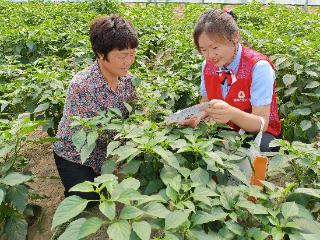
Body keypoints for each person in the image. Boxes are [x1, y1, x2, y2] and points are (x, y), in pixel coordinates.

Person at [53, 15, 138, 203]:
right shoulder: (82, 85)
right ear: (101, 53)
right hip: (76, 155)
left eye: (132, 53)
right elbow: (98, 133)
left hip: (108, 149)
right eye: (122, 56)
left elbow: (135, 112)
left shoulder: (127, 79)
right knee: (90, 199)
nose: (129, 61)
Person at [182, 9, 281, 152]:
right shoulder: (207, 65)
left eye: (215, 47)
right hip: (223, 129)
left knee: (258, 148)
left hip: (256, 133)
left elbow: (262, 123)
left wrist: (232, 113)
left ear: (235, 37)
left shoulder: (259, 67)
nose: (210, 55)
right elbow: (206, 102)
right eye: (203, 50)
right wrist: (197, 115)